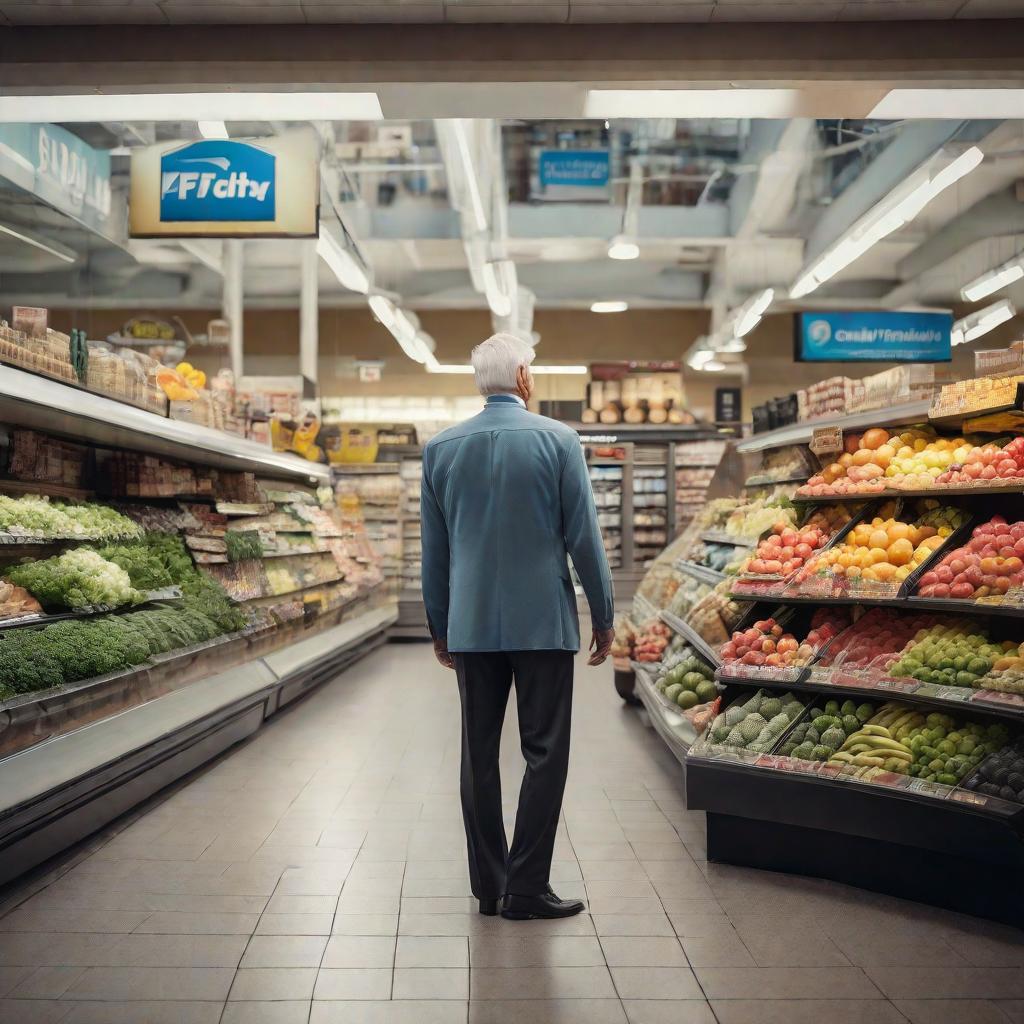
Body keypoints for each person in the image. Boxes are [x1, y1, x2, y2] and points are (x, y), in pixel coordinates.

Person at [420, 332, 615, 921]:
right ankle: (527, 887)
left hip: (472, 624)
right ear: (525, 378)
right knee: (545, 751)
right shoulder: (559, 441)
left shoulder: (441, 449)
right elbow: (584, 538)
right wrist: (603, 617)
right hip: (543, 624)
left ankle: (489, 885)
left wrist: (438, 624)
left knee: (477, 756)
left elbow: (435, 552)